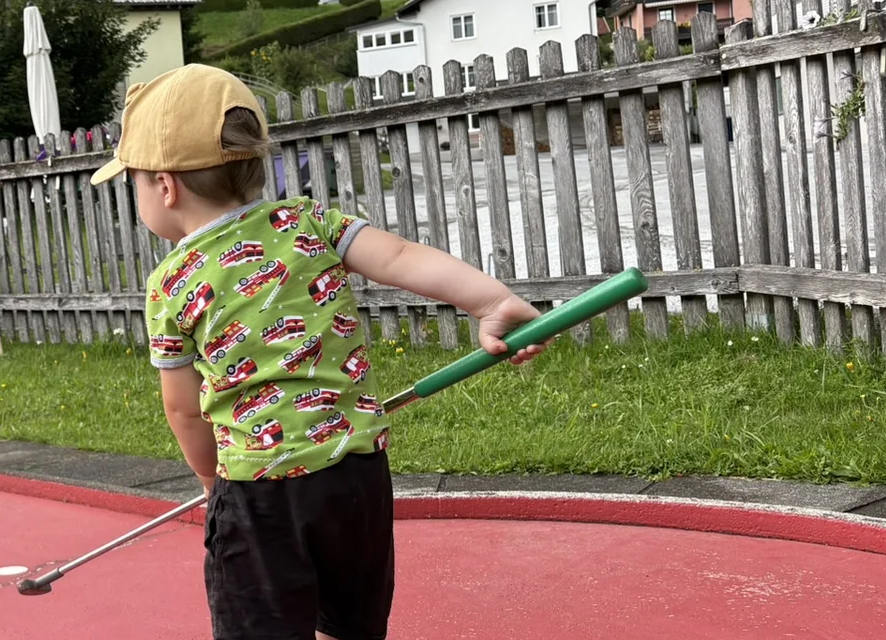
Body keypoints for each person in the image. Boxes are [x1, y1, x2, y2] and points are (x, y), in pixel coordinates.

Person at [98, 64, 549, 640]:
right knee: (348, 623)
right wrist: (491, 301)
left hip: (260, 492)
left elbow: (183, 410)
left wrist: (213, 484)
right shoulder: (308, 222)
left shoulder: (172, 282)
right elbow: (402, 257)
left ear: (165, 185)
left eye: (133, 181)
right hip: (356, 477)